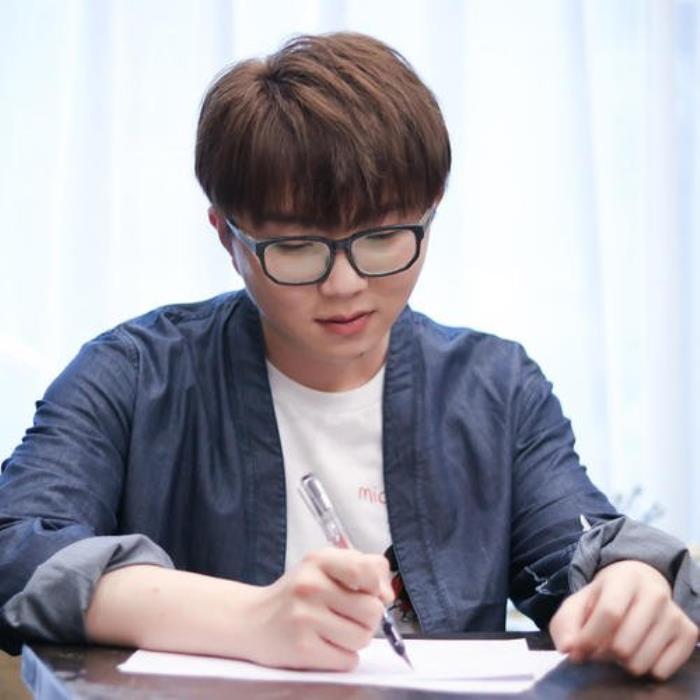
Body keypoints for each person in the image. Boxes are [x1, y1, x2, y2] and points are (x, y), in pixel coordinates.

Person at [0, 32, 698, 679]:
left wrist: (628, 585)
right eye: (297, 248)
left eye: (383, 238)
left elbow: (581, 545)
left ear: (431, 209)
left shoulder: (495, 389)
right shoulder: (133, 376)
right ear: (227, 234)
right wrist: (251, 620)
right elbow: (16, 550)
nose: (345, 285)